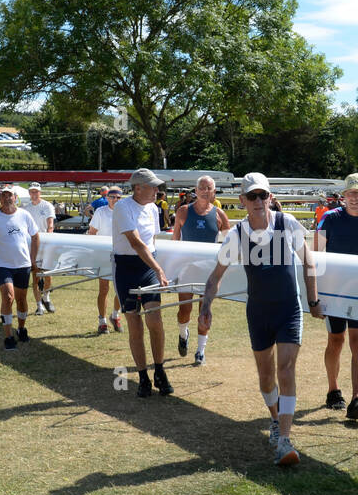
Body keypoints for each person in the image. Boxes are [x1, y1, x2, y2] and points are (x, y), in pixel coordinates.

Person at [200, 172, 324, 467]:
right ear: (242, 200)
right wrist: (206, 307)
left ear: (271, 198)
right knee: (266, 375)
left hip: (288, 310)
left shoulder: (288, 224)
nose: (258, 201)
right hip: (257, 312)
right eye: (252, 196)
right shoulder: (237, 235)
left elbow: (308, 261)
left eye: (263, 195)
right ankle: (274, 419)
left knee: (286, 368)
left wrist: (313, 300)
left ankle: (284, 441)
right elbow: (215, 276)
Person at [314, 172, 358, 420]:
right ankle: (333, 389)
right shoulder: (329, 219)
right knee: (336, 340)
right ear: (344, 196)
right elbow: (316, 254)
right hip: (334, 291)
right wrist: (316, 294)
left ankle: (357, 398)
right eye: (350, 193)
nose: (354, 198)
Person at [114, 168, 172, 397]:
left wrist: (155, 266)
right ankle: (142, 377)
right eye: (153, 187)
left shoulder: (153, 208)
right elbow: (136, 243)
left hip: (148, 267)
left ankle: (159, 370)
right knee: (134, 324)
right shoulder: (122, 207)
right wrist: (159, 269)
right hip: (127, 268)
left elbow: (152, 241)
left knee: (155, 319)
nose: (157, 191)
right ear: (138, 188)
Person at [172, 175, 230, 364]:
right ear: (195, 191)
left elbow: (228, 245)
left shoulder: (220, 215)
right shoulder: (183, 211)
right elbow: (174, 241)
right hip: (187, 270)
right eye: (202, 187)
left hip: (209, 271)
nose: (206, 191)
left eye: (209, 188)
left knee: (204, 311)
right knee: (184, 311)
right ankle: (183, 334)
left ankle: (200, 351)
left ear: (214, 192)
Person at [0, 187, 40, 351]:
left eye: (9, 195)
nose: (7, 198)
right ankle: (8, 336)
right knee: (8, 297)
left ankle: (21, 328)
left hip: (23, 264)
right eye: (3, 196)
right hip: (3, 265)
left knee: (21, 299)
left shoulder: (24, 215)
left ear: (15, 197)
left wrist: (33, 259)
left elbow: (35, 236)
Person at [86, 185, 124, 333]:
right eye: (112, 197)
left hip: (121, 253)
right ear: (107, 198)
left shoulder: (125, 212)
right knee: (104, 288)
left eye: (118, 197)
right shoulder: (101, 212)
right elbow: (92, 233)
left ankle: (115, 315)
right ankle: (102, 321)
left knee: (121, 289)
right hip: (103, 254)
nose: (115, 200)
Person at [23, 183, 56, 315]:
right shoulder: (26, 209)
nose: (34, 194)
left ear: (40, 193)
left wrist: (48, 237)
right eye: (32, 192)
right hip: (32, 245)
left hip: (45, 242)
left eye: (36, 192)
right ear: (29, 193)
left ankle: (46, 297)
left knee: (48, 275)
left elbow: (50, 224)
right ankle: (39, 305)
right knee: (35, 275)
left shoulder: (47, 206)